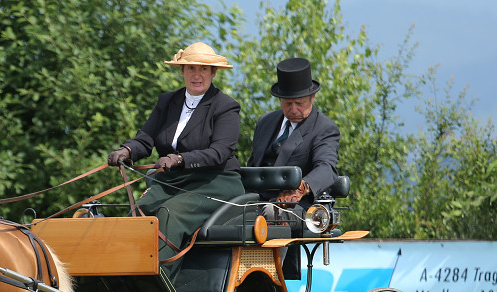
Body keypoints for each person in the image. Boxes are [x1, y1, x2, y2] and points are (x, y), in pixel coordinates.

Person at [108, 42, 245, 279]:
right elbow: (146, 139)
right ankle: (125, 279)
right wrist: (128, 150)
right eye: (190, 68)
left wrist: (181, 159)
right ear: (182, 71)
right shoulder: (167, 101)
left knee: (168, 213)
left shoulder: (225, 106)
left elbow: (220, 152)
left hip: (216, 182)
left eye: (203, 69)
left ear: (213, 72)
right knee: (138, 213)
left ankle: (158, 283)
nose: (196, 75)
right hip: (173, 182)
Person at [247, 57, 340, 277]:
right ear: (280, 100)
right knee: (221, 211)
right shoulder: (265, 123)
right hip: (256, 200)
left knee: (272, 212)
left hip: (300, 209)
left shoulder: (324, 129)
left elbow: (327, 168)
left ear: (313, 97)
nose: (294, 109)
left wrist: (302, 187)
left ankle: (267, 280)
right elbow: (252, 166)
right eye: (288, 103)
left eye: (300, 103)